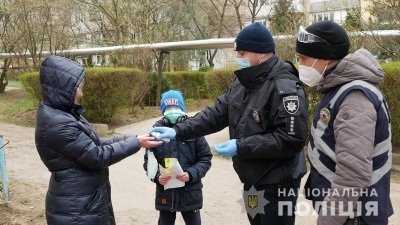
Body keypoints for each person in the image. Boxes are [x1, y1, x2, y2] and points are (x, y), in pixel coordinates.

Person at [149, 22, 308, 225]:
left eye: (242, 53)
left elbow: (291, 138)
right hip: (251, 180)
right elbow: (215, 114)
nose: (238, 58)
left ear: (261, 53)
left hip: (277, 182)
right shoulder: (243, 81)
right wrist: (177, 131)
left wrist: (241, 146)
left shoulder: (283, 85)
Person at [35, 55, 162, 225]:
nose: (81, 93)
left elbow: (95, 144)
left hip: (82, 201)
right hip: (76, 209)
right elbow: (97, 156)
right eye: (78, 88)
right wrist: (136, 143)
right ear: (64, 89)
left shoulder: (63, 114)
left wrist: (135, 138)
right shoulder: (59, 123)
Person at [296, 20, 393, 225]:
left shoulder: (354, 97)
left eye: (303, 58)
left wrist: (328, 220)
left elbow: (353, 173)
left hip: (355, 215)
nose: (300, 64)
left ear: (325, 58)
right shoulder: (341, 88)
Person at [143, 90, 212, 225]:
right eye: (168, 108)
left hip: (190, 192)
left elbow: (205, 158)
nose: (172, 111)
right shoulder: (155, 133)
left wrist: (191, 174)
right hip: (166, 194)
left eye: (176, 107)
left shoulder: (194, 130)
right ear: (163, 111)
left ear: (182, 109)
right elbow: (149, 163)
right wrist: (157, 177)